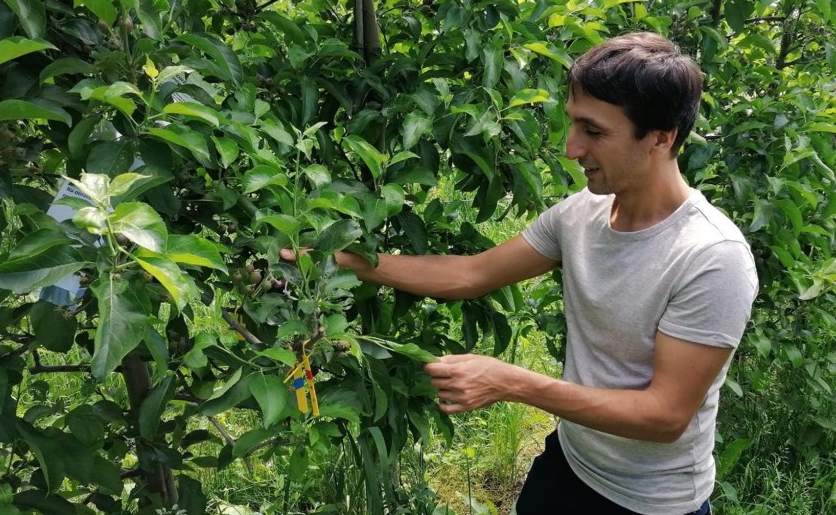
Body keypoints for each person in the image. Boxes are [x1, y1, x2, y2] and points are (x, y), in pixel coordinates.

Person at [282, 31, 758, 515]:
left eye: (594, 132)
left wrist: (511, 382)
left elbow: (665, 416)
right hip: (569, 464)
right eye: (573, 124)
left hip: (649, 501)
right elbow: (470, 274)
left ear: (661, 136)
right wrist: (338, 258)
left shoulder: (711, 256)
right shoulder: (580, 216)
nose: (572, 149)